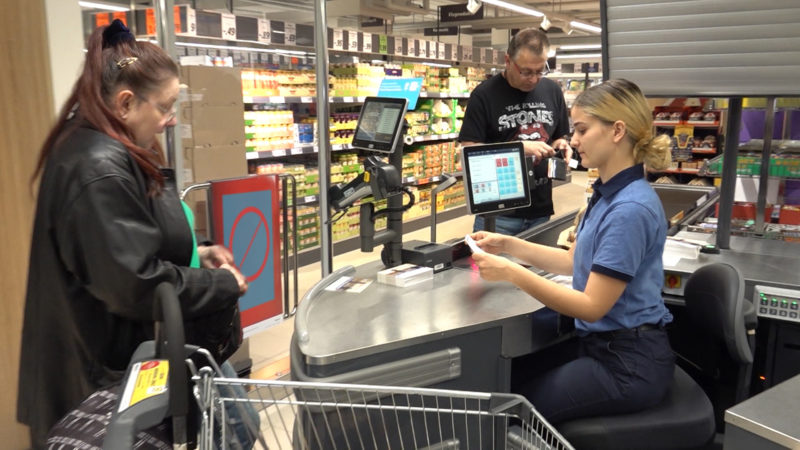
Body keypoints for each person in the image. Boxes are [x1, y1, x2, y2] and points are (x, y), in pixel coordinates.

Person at [17, 20, 248, 448]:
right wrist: (220, 283)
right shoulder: (98, 166)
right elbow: (135, 282)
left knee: (239, 424)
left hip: (113, 371)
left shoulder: (107, 147)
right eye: (165, 106)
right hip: (98, 388)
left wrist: (199, 252)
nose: (171, 119)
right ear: (125, 103)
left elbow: (125, 241)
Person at [469, 78, 675, 424]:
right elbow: (571, 261)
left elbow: (592, 306)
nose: (573, 140)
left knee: (510, 410)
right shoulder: (608, 193)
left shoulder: (629, 210)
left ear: (617, 131)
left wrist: (512, 273)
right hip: (603, 348)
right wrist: (508, 246)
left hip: (627, 365)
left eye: (581, 129)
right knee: (504, 379)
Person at [459, 28, 573, 235]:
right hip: (499, 213)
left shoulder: (552, 91)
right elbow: (469, 152)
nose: (533, 79)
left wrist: (561, 145)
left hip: (541, 209)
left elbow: (558, 136)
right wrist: (519, 148)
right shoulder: (484, 95)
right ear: (508, 61)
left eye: (540, 71)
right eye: (526, 71)